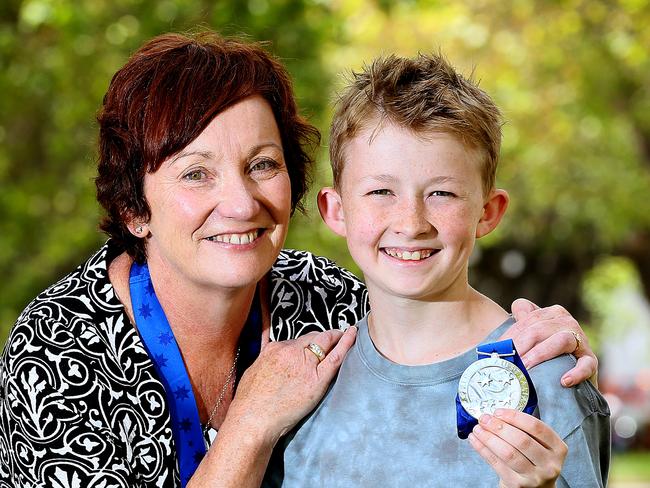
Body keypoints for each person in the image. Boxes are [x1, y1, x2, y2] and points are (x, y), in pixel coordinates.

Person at [0, 32, 599, 488]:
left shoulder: (325, 300)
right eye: (195, 173)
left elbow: (427, 310)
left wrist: (549, 343)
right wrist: (249, 424)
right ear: (136, 208)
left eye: (262, 164)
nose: (240, 203)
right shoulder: (56, 356)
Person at [267, 53, 610, 487]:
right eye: (380, 191)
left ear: (487, 211)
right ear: (336, 211)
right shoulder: (306, 387)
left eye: (442, 194)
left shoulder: (547, 377)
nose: (411, 224)